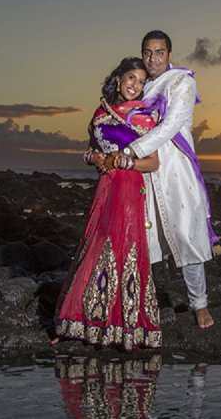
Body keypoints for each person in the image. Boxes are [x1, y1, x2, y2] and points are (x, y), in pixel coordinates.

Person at [108, 30, 218, 329]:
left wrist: (130, 150)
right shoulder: (141, 84)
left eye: (159, 52)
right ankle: (135, 304)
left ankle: (200, 305)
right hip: (142, 170)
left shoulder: (182, 81)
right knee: (142, 238)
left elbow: (170, 125)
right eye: (147, 52)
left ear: (169, 54)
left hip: (175, 170)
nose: (153, 58)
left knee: (186, 234)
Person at [52, 57, 162, 351]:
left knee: (123, 248)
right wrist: (95, 158)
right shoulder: (102, 112)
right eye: (131, 79)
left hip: (129, 188)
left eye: (141, 82)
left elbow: (153, 162)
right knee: (95, 246)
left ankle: (126, 329)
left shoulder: (145, 116)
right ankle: (85, 322)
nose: (135, 86)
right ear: (118, 79)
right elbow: (89, 151)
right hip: (105, 187)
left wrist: (124, 160)